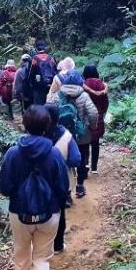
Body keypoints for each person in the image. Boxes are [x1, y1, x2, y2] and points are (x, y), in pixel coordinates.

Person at [0, 106, 69, 270]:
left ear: (25, 124)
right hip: (49, 214)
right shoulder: (54, 153)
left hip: (19, 213)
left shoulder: (13, 153)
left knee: (21, 257)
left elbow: (4, 187)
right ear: (47, 126)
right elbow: (63, 187)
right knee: (42, 258)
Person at [47, 71, 98, 198]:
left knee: (63, 162)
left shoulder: (58, 95)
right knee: (81, 160)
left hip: (62, 135)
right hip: (81, 134)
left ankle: (67, 192)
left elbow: (49, 112)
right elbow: (93, 113)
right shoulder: (84, 95)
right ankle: (80, 186)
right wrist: (91, 127)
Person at [45, 104, 81, 253]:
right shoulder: (66, 136)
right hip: (62, 181)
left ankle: (43, 245)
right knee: (59, 213)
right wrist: (62, 162)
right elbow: (76, 159)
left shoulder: (38, 134)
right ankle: (58, 245)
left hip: (41, 181)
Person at [82, 64, 109, 174]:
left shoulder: (83, 84)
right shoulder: (102, 85)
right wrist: (102, 112)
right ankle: (94, 168)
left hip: (85, 116)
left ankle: (86, 164)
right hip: (98, 115)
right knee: (95, 142)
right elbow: (106, 102)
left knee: (84, 142)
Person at [27, 40, 57, 106]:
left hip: (38, 86)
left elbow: (30, 74)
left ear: (36, 48)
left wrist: (31, 85)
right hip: (51, 85)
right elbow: (56, 72)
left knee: (39, 105)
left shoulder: (34, 59)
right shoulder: (51, 58)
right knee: (50, 103)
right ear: (45, 48)